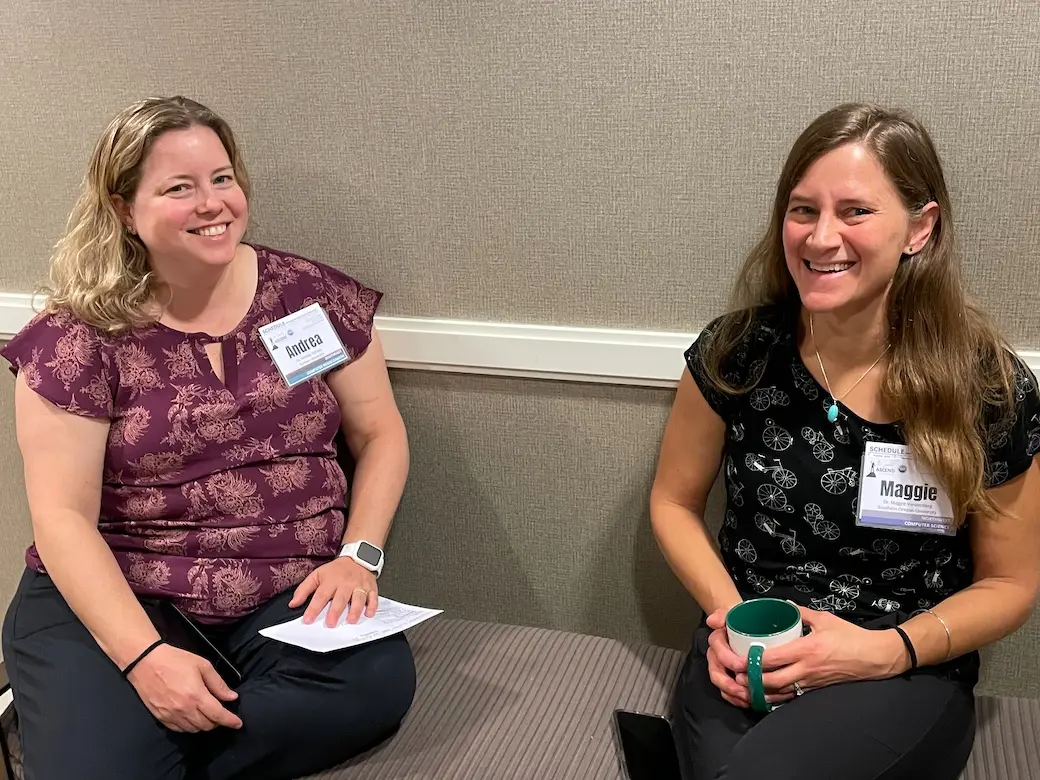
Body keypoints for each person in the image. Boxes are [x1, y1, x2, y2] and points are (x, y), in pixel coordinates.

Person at [0, 96, 416, 779]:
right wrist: (144, 660)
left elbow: (381, 435)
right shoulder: (82, 338)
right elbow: (62, 519)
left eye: (223, 178)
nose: (213, 203)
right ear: (121, 206)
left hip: (286, 586)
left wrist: (360, 558)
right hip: (125, 590)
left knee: (372, 685)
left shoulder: (306, 299)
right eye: (179, 188)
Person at [650, 103, 1040, 780]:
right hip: (751, 649)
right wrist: (729, 621)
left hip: (901, 665)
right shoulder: (738, 352)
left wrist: (886, 650)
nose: (820, 237)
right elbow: (672, 503)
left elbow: (1011, 582)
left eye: (855, 212)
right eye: (803, 210)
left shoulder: (986, 387)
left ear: (920, 228)